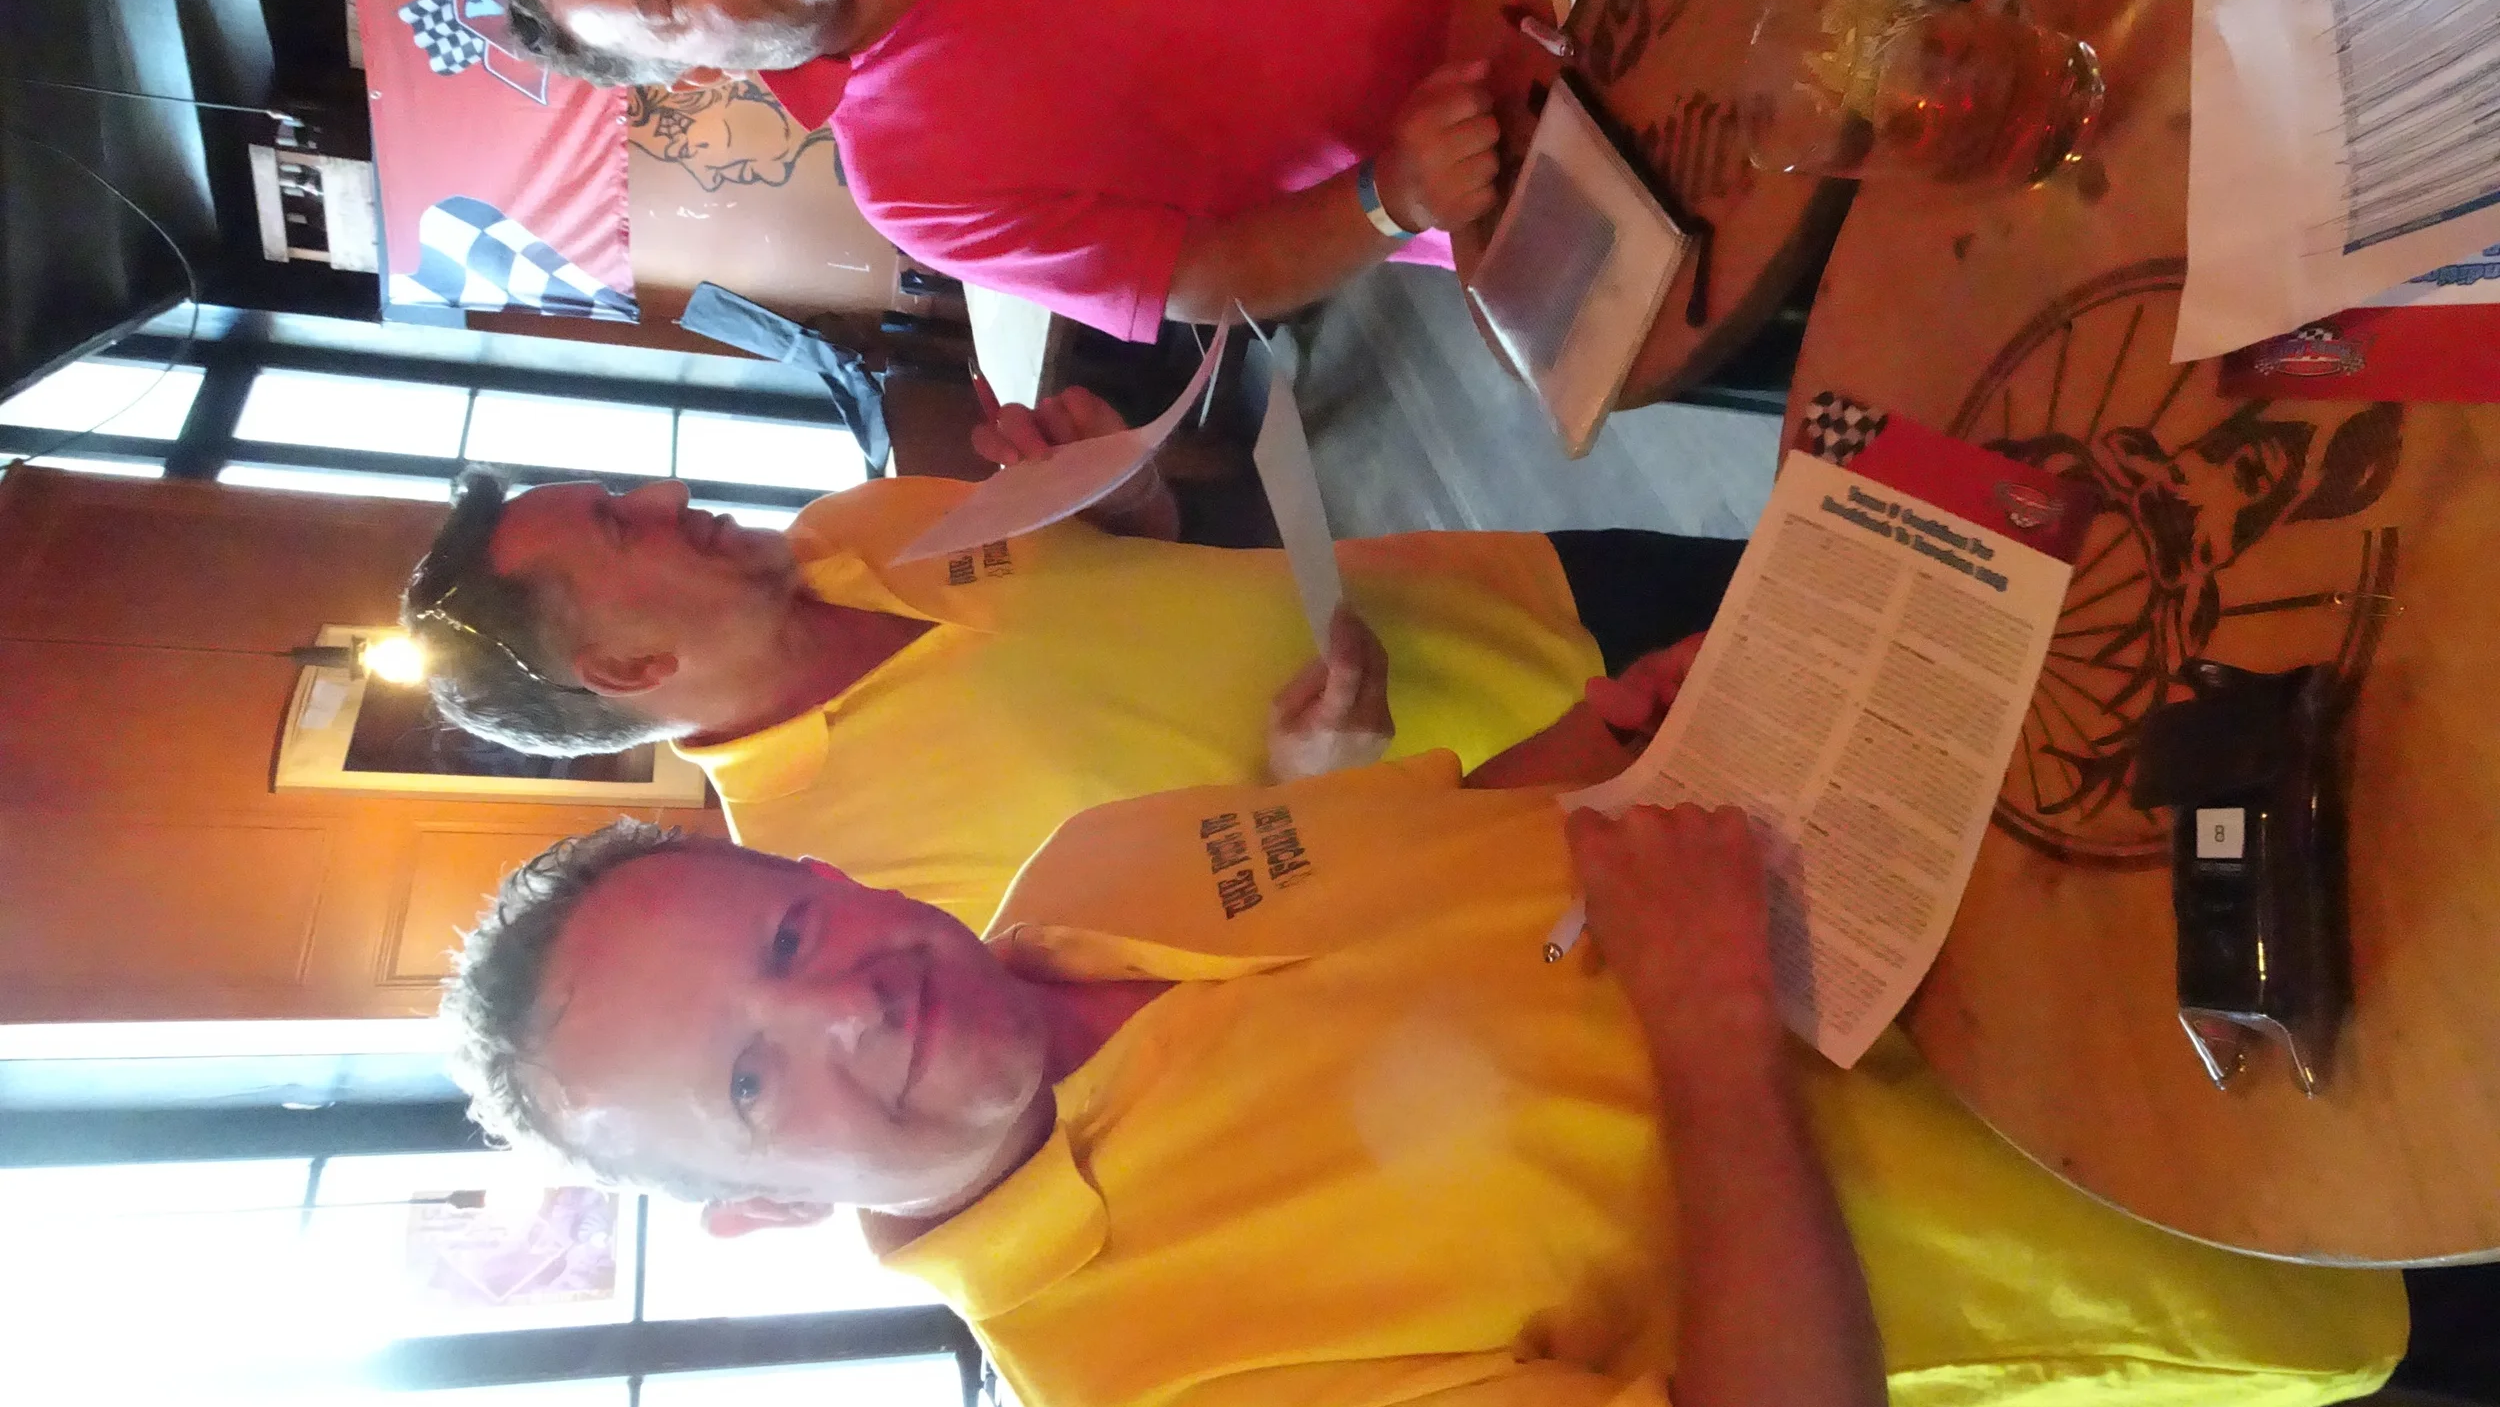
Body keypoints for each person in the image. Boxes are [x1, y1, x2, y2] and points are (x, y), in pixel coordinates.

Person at [439, 734, 2406, 1407]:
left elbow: (1505, 817)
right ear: (754, 1209)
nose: (844, 992)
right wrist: (1708, 1034)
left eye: (789, 923)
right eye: (752, 1075)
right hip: (2214, 1175)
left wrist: (1638, 732)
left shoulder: (1093, 832)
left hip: (2064, 841)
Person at [401, 383, 1746, 927]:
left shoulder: (848, 520)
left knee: (1907, 571)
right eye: (619, 525)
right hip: (1552, 811)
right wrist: (1311, 795)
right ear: (629, 667)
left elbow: (1137, 573)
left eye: (618, 483)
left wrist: (1125, 503)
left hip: (1520, 588)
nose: (659, 492)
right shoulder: (849, 869)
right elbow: (1211, 978)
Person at [475, 0, 1609, 335]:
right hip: (1540, 158)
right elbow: (1202, 274)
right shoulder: (917, 192)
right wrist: (1388, 196)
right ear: (689, 76)